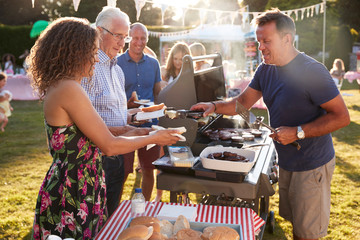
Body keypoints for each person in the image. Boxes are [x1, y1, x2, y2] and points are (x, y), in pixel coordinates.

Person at [191, 9, 350, 240]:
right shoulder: (265, 69)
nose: (261, 47)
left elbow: (341, 117)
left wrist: (298, 132)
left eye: (266, 41)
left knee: (307, 234)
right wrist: (213, 106)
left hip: (312, 164)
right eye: (258, 42)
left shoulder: (313, 71)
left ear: (287, 39)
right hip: (287, 161)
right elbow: (243, 104)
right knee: (297, 223)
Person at [27, 17, 181, 240]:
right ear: (76, 52)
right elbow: (109, 146)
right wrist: (155, 137)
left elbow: (90, 132)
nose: (94, 57)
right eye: (91, 51)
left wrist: (135, 131)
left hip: (76, 185)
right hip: (73, 191)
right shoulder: (70, 89)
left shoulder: (64, 85)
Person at [81, 7, 150, 217]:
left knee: (110, 217)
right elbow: (84, 125)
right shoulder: (88, 68)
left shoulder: (117, 70)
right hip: (95, 161)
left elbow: (115, 112)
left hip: (118, 156)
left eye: (124, 37)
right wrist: (130, 130)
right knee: (94, 222)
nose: (122, 43)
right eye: (118, 36)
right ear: (100, 32)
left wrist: (137, 116)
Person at [117, 22, 163, 201]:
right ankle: (114, 210)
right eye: (135, 37)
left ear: (147, 40)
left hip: (151, 125)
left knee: (149, 169)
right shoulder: (117, 63)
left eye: (143, 38)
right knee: (123, 171)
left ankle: (143, 210)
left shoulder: (153, 64)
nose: (139, 41)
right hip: (125, 125)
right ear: (129, 38)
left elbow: (158, 93)